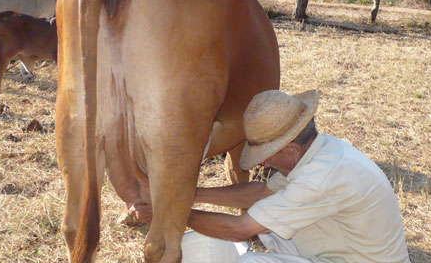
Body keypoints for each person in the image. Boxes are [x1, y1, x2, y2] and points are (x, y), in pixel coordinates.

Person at [134, 89, 410, 263]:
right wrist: (190, 195)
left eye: (267, 154)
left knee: (249, 260)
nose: (263, 161)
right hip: (338, 251)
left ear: (290, 148)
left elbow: (237, 228)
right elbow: (260, 193)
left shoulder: (322, 177)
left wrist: (170, 213)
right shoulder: (318, 151)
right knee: (264, 233)